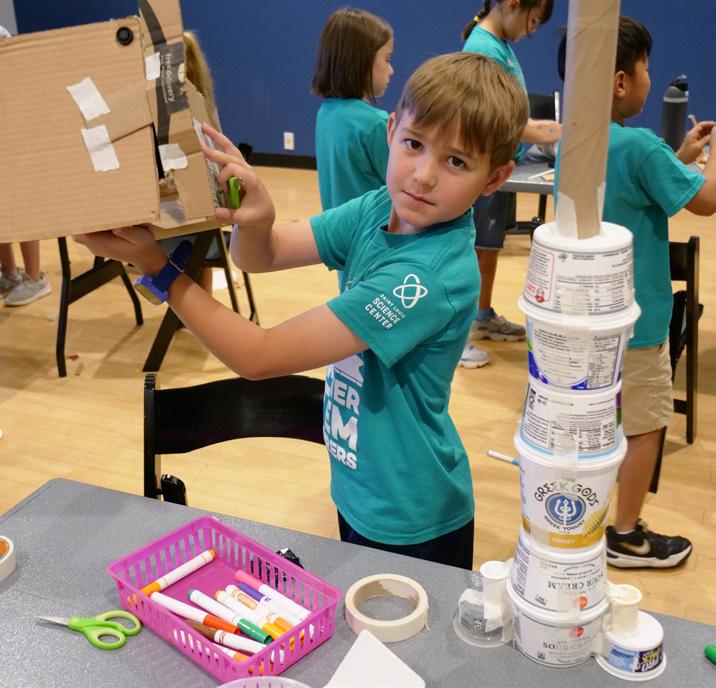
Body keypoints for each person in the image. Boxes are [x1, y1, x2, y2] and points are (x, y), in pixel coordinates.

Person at [75, 52, 528, 569]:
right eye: (414, 144)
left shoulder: (429, 276)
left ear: (494, 178)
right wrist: (255, 218)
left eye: (456, 162)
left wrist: (159, 268)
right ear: (391, 131)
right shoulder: (379, 208)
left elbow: (259, 356)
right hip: (360, 485)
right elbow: (260, 256)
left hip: (412, 514)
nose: (423, 176)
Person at [556, 16, 716, 568]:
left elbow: (638, 184)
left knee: (594, 415)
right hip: (638, 322)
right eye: (646, 69)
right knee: (645, 424)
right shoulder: (642, 145)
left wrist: (681, 157)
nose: (650, 80)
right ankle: (625, 534)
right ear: (621, 81)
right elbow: (705, 202)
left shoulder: (574, 145)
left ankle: (580, 513)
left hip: (582, 317)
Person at [460, 0, 561, 367]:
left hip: (499, 164)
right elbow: (492, 118)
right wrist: (541, 131)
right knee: (473, 250)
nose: (531, 30)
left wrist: (536, 130)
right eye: (532, 21)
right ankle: (456, 334)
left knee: (488, 246)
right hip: (483, 165)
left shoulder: (499, 45)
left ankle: (481, 315)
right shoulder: (483, 48)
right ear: (513, 5)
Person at [158, 30, 224, 295]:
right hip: (210, 230)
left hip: (192, 234)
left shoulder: (179, 121)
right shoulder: (205, 109)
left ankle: (186, 300)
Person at [312, 7, 393, 212]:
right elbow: (401, 191)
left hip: (336, 228)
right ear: (362, 61)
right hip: (371, 230)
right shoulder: (376, 124)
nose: (391, 70)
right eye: (387, 60)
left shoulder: (325, 112)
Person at [0, 24, 52, 307]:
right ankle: (9, 273)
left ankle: (35, 278)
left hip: (12, 129)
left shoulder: (2, 36)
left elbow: (18, 75)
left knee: (20, 207)